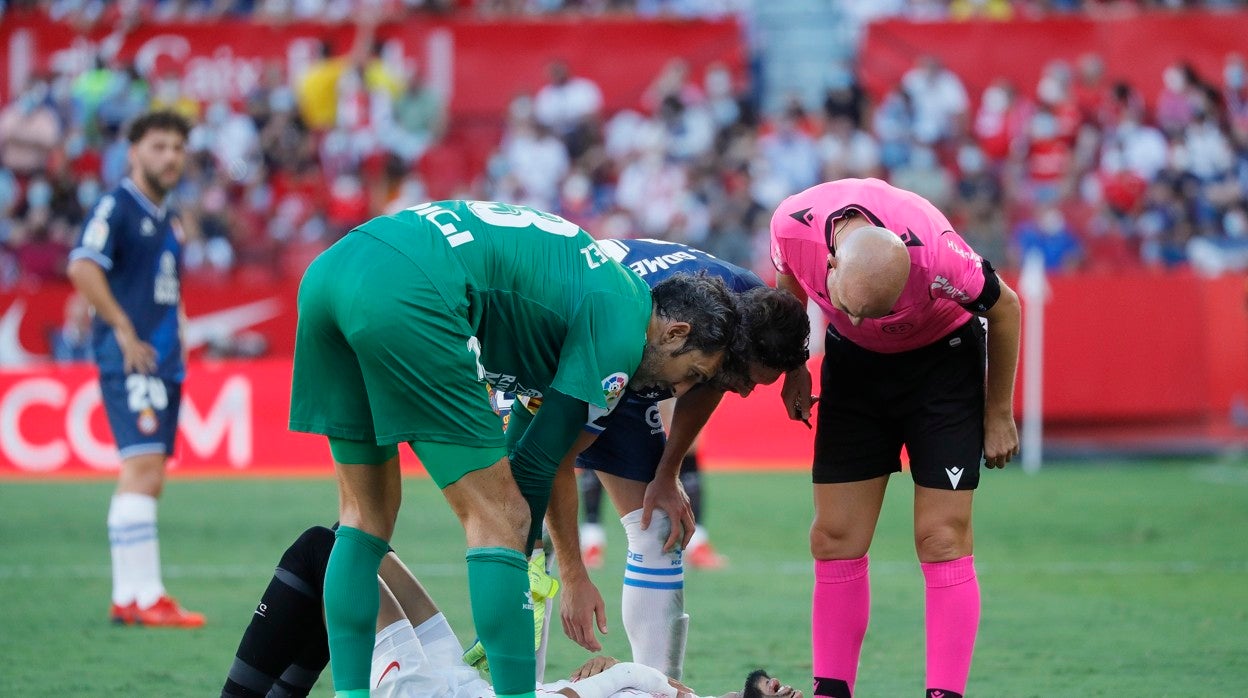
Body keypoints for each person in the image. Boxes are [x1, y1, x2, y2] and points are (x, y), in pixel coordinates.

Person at [288, 201, 740, 698]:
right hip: (409, 289)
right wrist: (513, 577)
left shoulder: (592, 291)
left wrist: (514, 578)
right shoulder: (622, 331)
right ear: (676, 333)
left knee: (363, 521)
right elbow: (540, 464)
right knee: (500, 515)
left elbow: (529, 445)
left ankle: (351, 694)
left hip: (335, 269)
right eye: (692, 373)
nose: (679, 390)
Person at [770, 178, 1021, 698]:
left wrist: (999, 413)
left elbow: (1007, 309)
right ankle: (831, 692)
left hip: (942, 365)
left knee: (941, 538)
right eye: (852, 307)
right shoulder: (790, 228)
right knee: (833, 536)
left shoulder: (939, 250)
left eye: (876, 311)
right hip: (856, 369)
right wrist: (796, 368)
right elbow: (788, 292)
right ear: (831, 263)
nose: (863, 318)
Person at [542, 238, 811, 679]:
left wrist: (666, 475)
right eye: (745, 379)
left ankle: (660, 688)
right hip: (571, 348)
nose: (745, 392)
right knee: (527, 524)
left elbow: (714, 382)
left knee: (660, 527)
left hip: (638, 360)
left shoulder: (746, 306)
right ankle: (517, 689)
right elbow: (551, 463)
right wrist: (573, 574)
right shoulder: (627, 322)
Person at [222, 525, 804, 698]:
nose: (797, 693)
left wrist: (633, 674)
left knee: (331, 554)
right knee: (354, 544)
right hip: (468, 687)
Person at [65, 110, 204, 628]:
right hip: (135, 356)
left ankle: (132, 596)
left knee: (149, 474)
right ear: (134, 153)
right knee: (142, 470)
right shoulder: (117, 205)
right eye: (159, 146)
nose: (170, 156)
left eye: (177, 147)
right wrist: (123, 330)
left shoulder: (166, 216)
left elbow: (165, 289)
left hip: (162, 359)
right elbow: (82, 264)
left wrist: (181, 336)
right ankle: (145, 598)